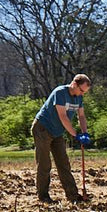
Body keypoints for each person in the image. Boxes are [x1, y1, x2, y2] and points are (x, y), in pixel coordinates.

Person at [32, 74, 92, 203]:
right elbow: (63, 116)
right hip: (43, 128)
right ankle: (43, 197)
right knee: (44, 164)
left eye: (84, 92)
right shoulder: (60, 93)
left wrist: (85, 133)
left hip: (57, 132)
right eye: (81, 90)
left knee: (63, 163)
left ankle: (73, 196)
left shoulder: (79, 98)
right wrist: (75, 135)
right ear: (74, 84)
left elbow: (81, 116)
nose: (82, 94)